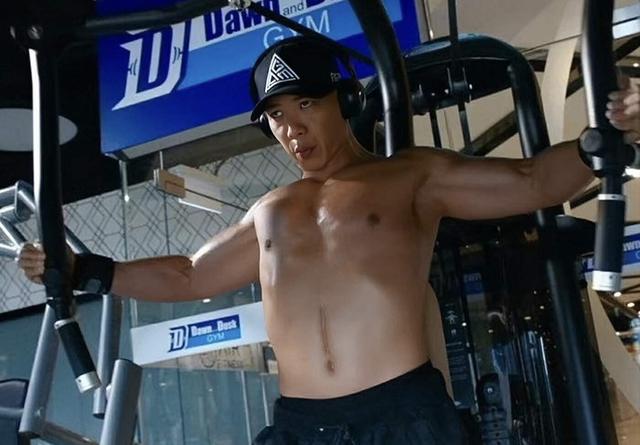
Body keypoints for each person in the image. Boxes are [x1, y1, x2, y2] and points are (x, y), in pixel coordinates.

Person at [17, 36, 639, 444]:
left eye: (306, 105)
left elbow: (532, 181)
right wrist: (84, 269)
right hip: (301, 427)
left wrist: (607, 139)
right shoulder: (270, 210)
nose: (292, 129)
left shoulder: (411, 176)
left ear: (345, 100)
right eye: (276, 117)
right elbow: (189, 275)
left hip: (401, 416)